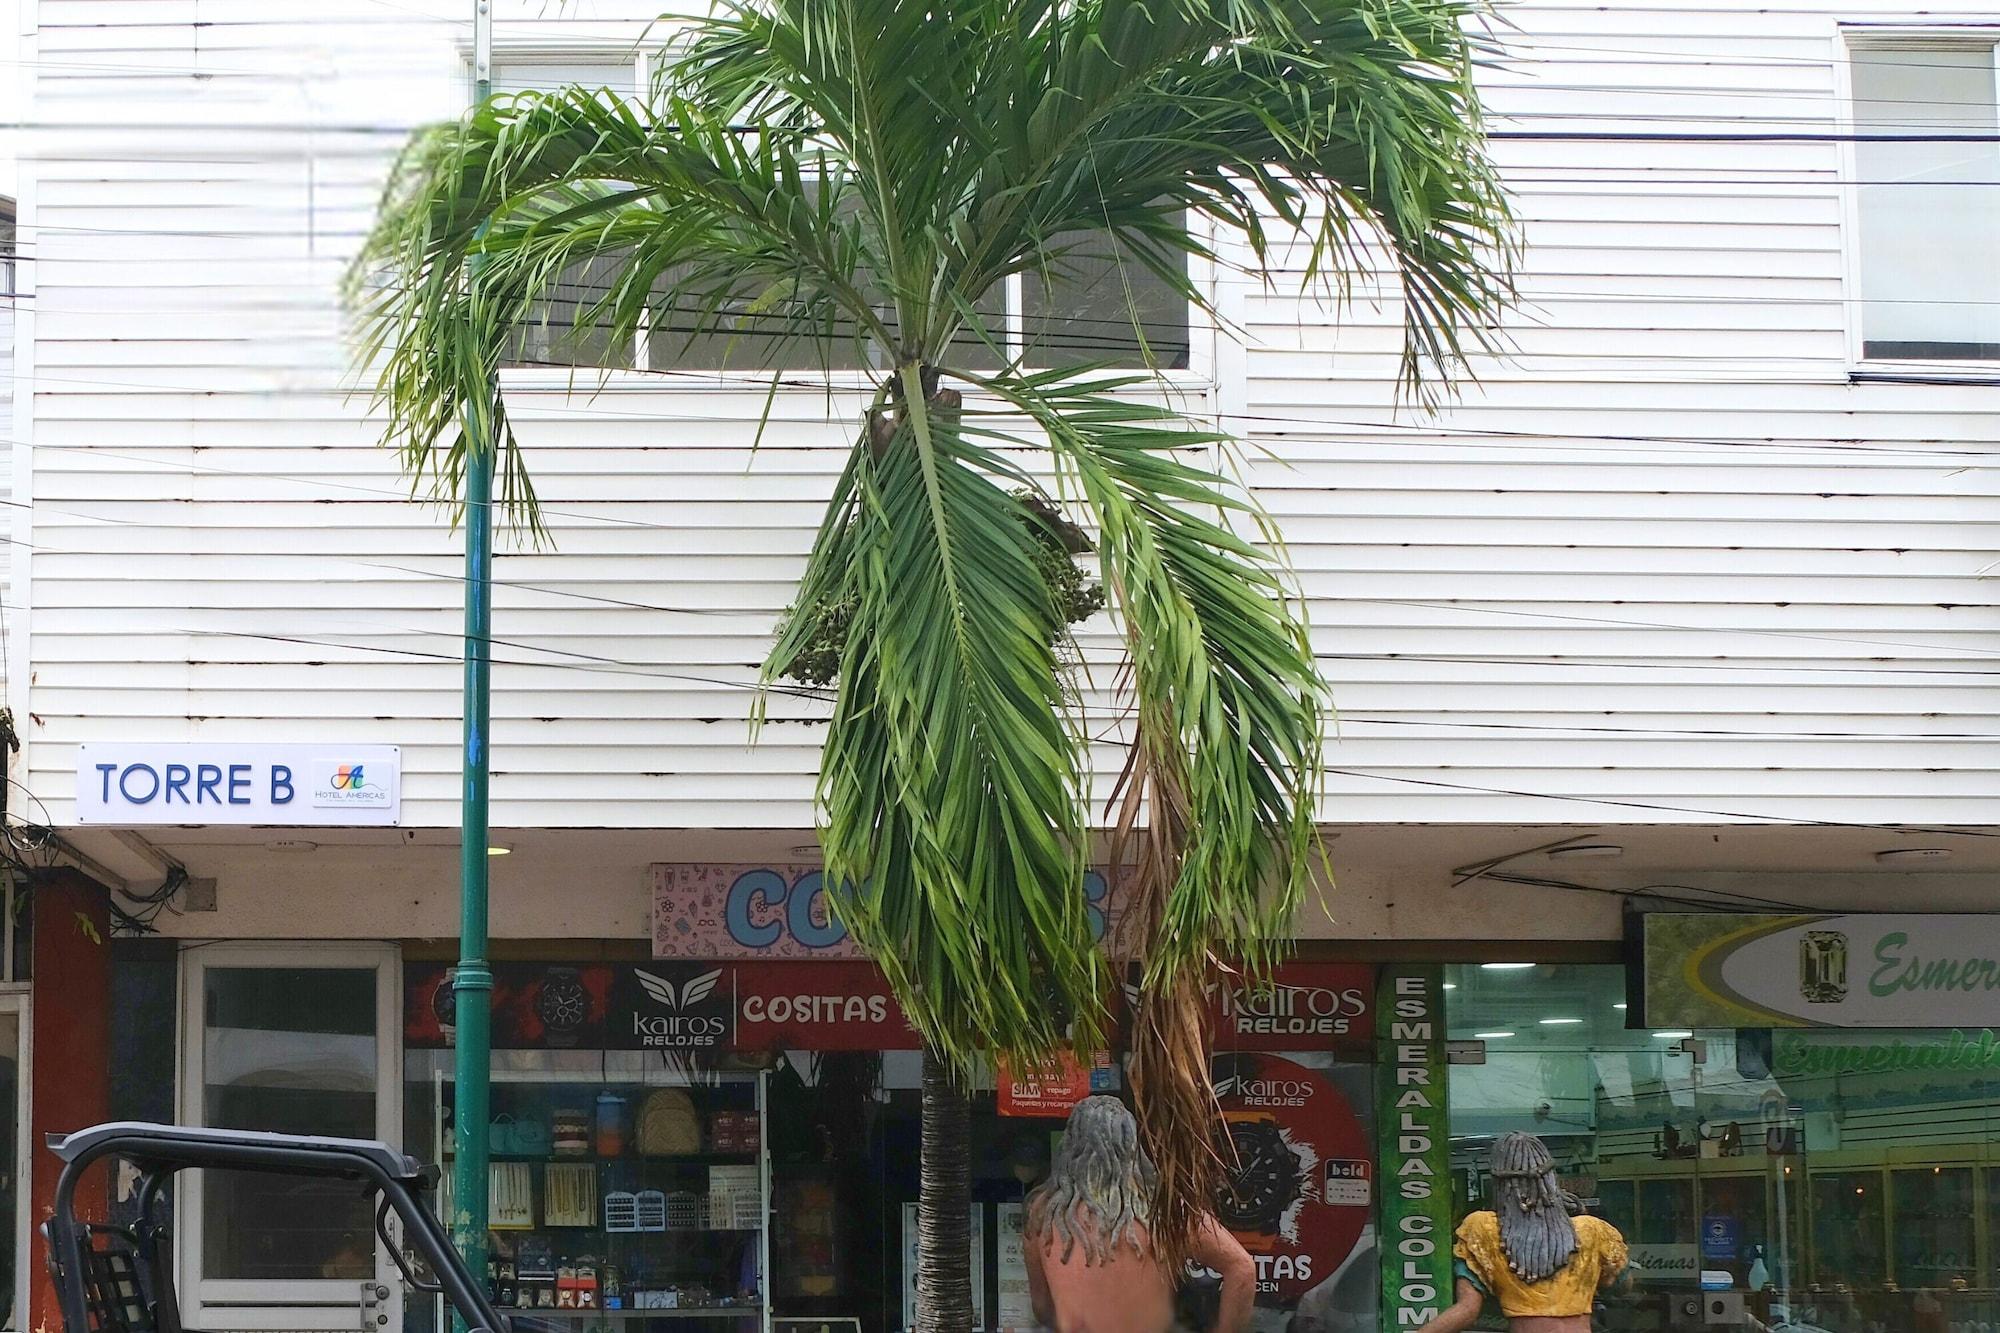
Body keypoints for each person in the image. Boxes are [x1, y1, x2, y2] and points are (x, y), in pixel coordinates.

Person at [1024, 1096, 1256, 1333]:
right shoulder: (1166, 1210)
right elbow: (1242, 1269)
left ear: (1070, 1144)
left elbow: (1042, 1309)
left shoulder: (1042, 1213)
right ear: (1132, 1145)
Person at [1417, 1133, 1629, 1333]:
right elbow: (1621, 1285)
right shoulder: (1594, 1230)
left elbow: (1468, 1310)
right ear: (1550, 1179)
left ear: (1499, 1183)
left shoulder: (1484, 1230)